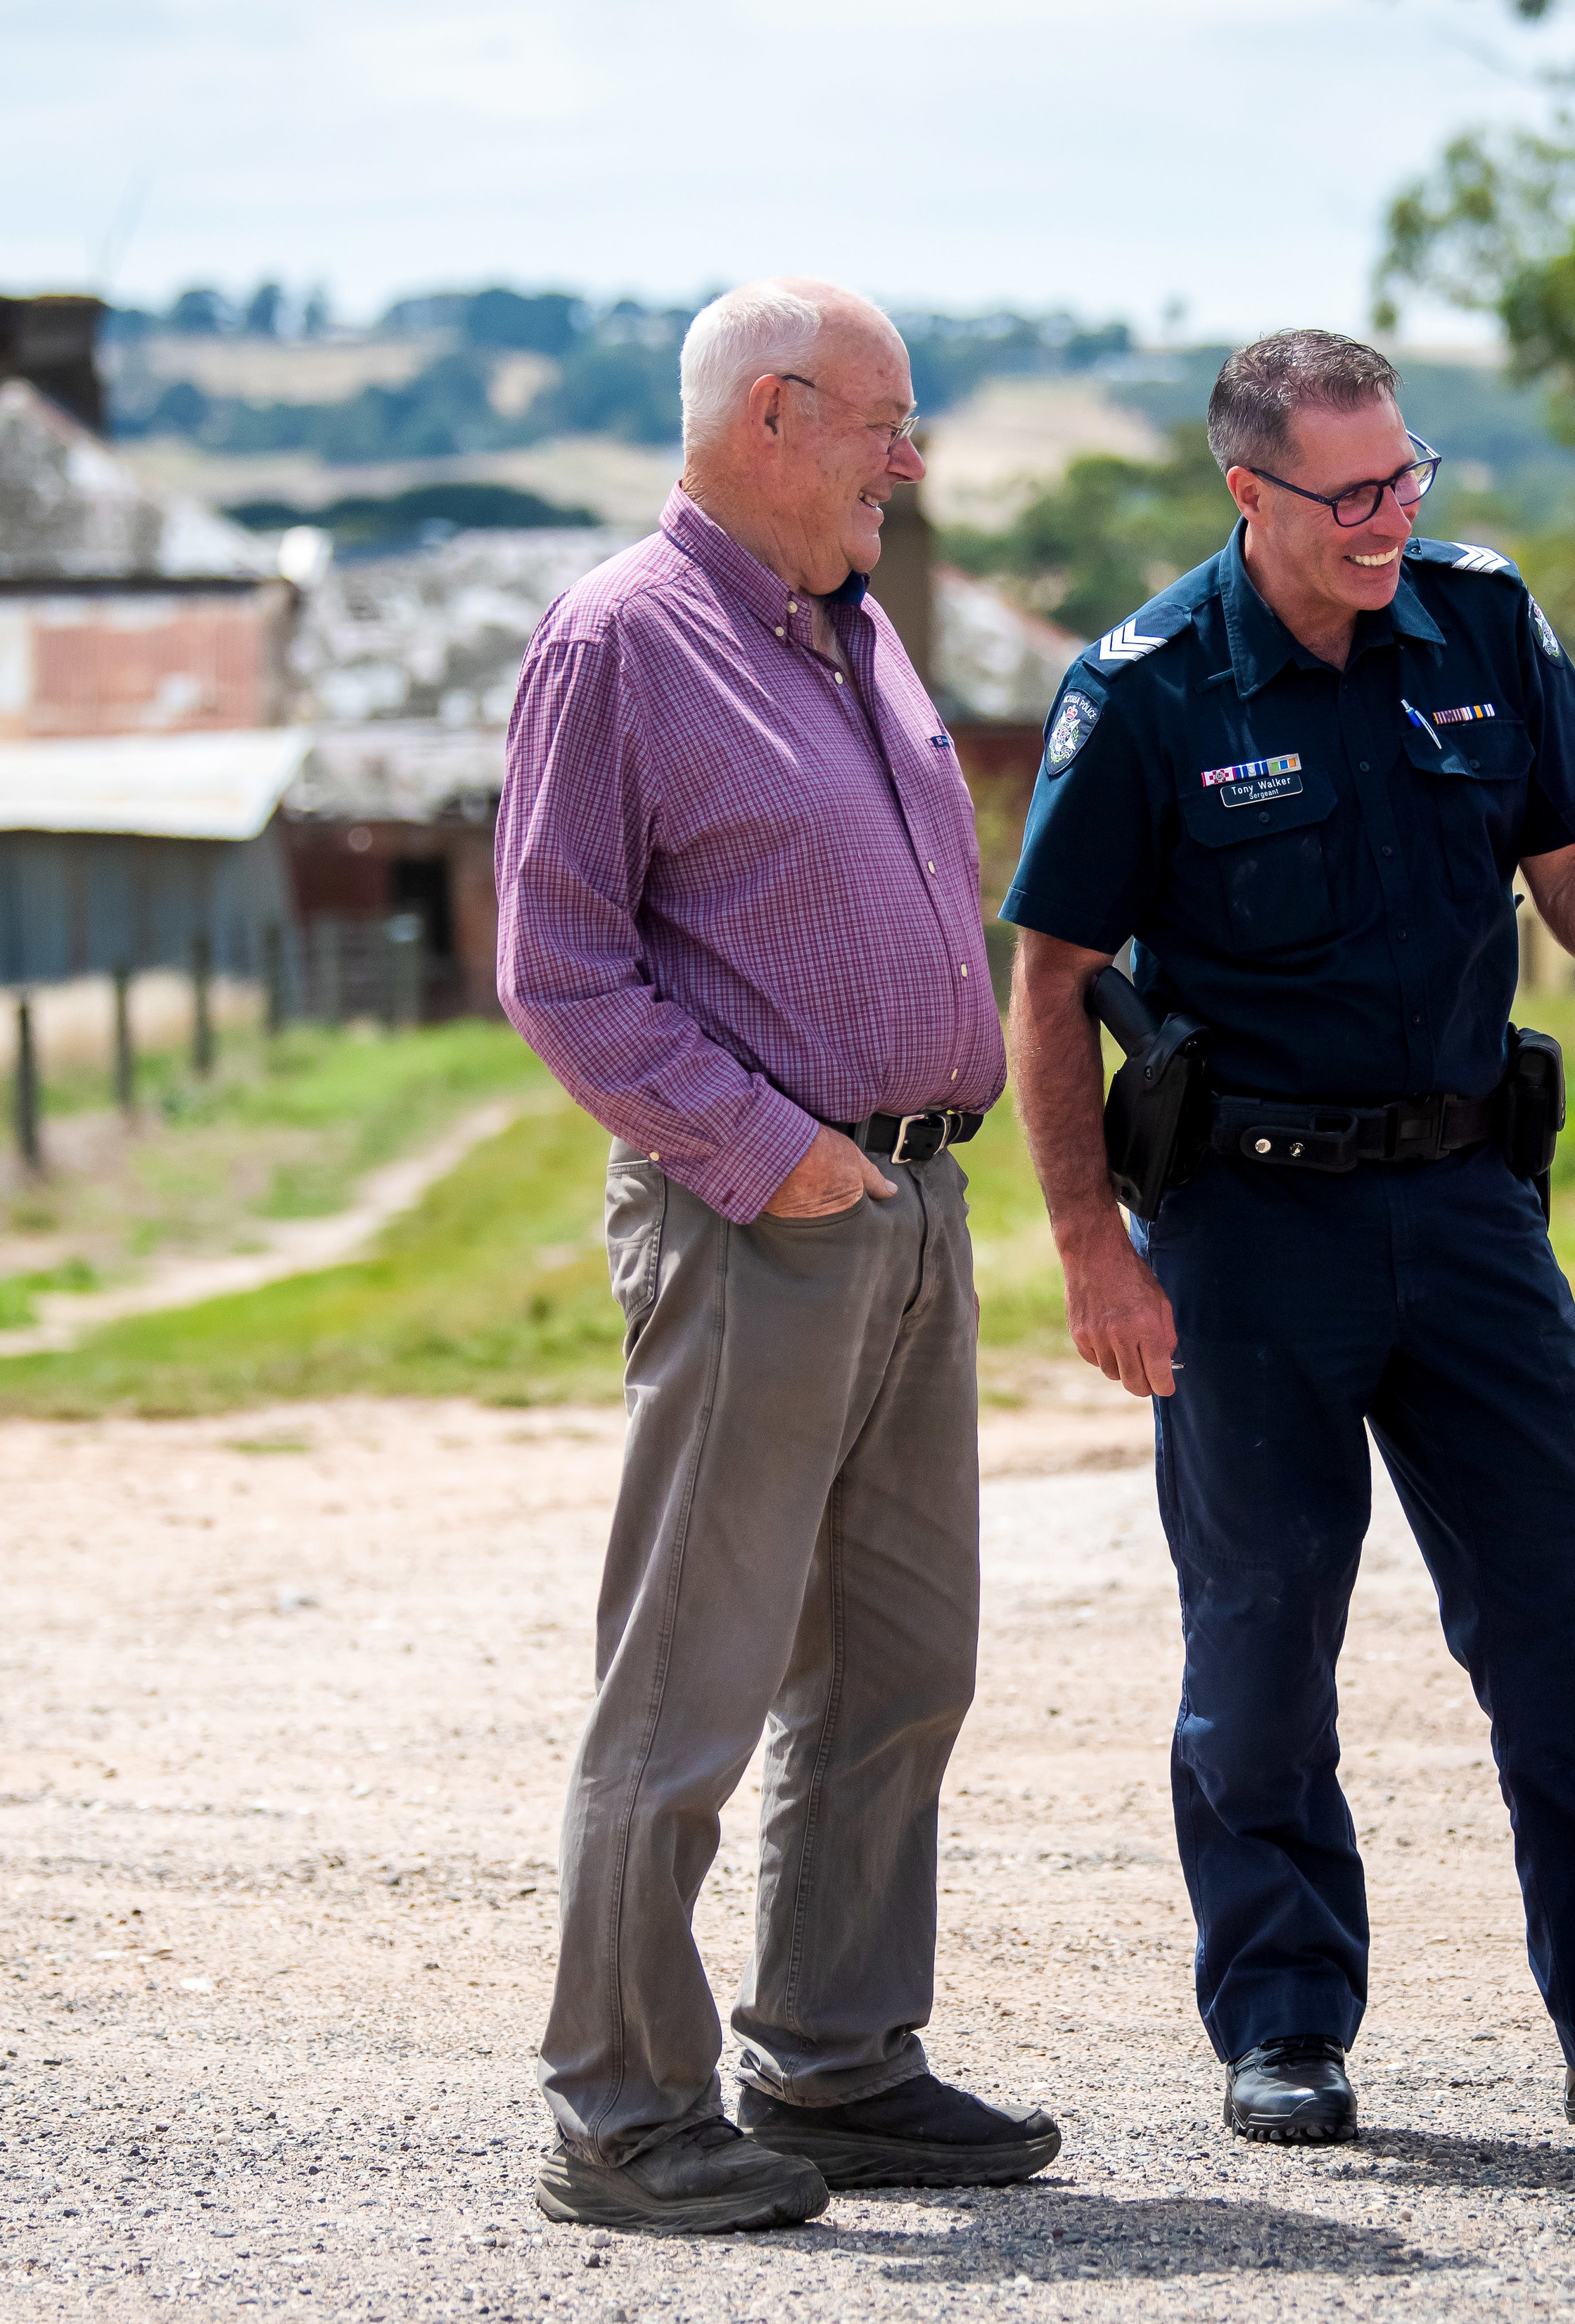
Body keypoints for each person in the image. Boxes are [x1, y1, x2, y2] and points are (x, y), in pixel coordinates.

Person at [1002, 329, 1575, 2147]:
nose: (1390, 517)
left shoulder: (1479, 618)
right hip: (1246, 1231)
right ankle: (1284, 2025)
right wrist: (1087, 1251)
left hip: (1464, 1207)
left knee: (1568, 1620)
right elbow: (1048, 983)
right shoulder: (1143, 691)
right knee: (1263, 1645)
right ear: (1248, 494)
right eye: (1350, 494)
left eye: (1406, 475)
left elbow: (1574, 865)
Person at [495, 277, 1057, 2234]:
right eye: (886, 422)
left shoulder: (855, 627)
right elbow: (557, 969)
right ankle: (619, 2108)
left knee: (904, 1662)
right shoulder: (616, 643)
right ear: (775, 415)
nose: (911, 459)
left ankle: (834, 2064)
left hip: (913, 1209)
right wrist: (764, 1152)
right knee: (691, 1685)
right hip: (755, 1221)